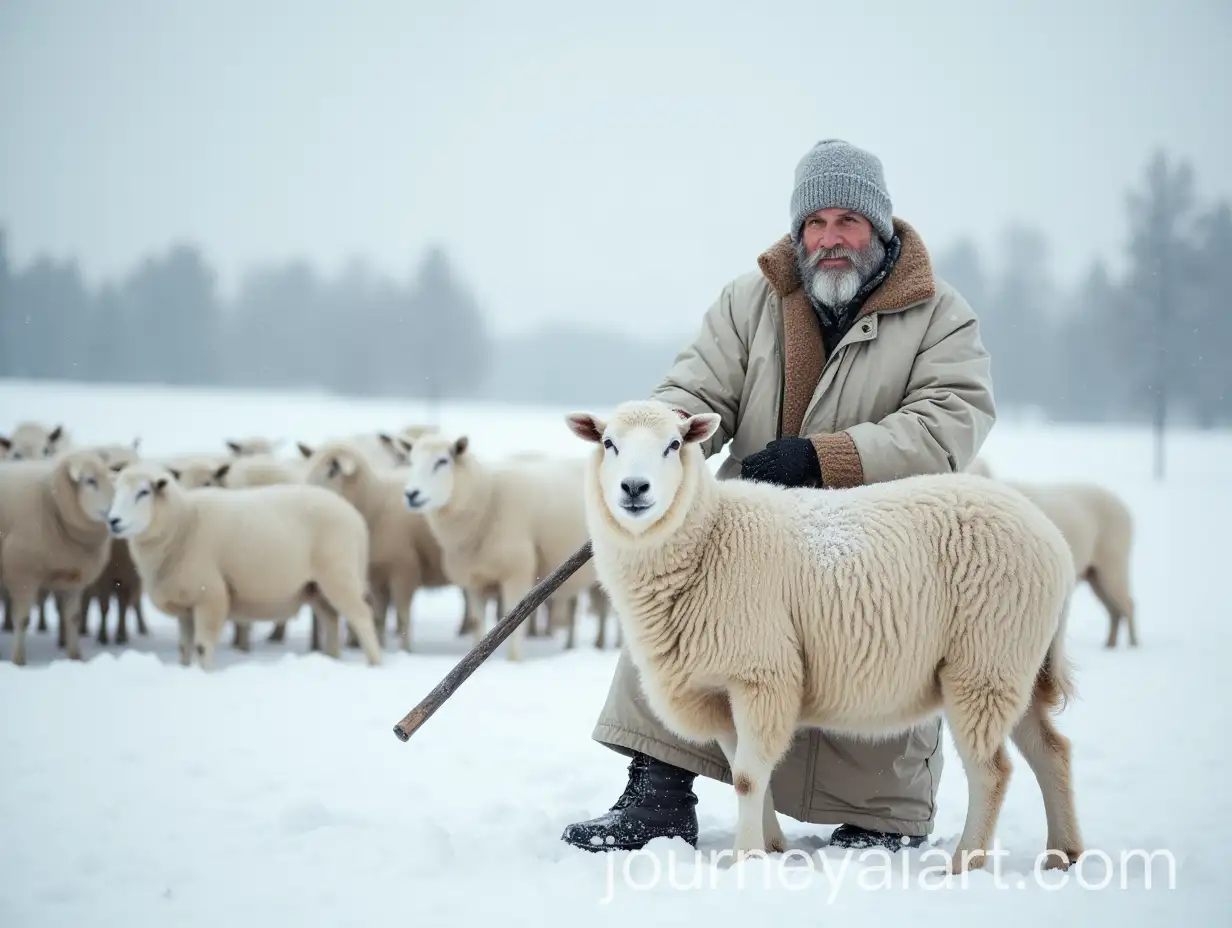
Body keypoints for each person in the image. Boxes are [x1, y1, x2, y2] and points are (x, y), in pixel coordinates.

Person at [561, 138, 996, 854]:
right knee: (674, 614)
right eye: (816, 223)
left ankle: (879, 814)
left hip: (876, 540)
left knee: (875, 658)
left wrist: (827, 458)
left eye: (847, 222)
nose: (830, 240)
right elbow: (697, 388)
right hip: (751, 534)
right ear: (798, 232)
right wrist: (654, 440)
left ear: (879, 228)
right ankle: (658, 789)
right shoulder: (750, 301)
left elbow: (950, 421)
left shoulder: (939, 315)